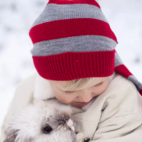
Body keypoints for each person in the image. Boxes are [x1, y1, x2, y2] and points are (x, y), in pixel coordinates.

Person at [1, 0, 142, 141]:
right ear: (48, 78)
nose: (86, 97)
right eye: (69, 91)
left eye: (97, 84)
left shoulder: (122, 97)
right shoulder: (26, 92)